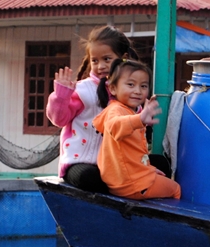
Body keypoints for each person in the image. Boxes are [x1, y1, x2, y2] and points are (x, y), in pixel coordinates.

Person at [46, 26, 137, 193]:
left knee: (158, 163)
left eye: (107, 59)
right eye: (95, 60)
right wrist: (61, 96)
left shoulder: (130, 92)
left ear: (123, 58)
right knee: (89, 177)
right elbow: (59, 120)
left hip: (115, 164)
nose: (100, 66)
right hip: (81, 161)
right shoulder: (82, 91)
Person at [94, 58, 181, 200]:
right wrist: (139, 119)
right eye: (130, 84)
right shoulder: (115, 110)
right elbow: (114, 126)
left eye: (143, 86)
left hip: (129, 180)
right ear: (113, 88)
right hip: (131, 184)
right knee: (176, 189)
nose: (138, 91)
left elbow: (133, 155)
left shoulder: (129, 111)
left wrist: (149, 170)